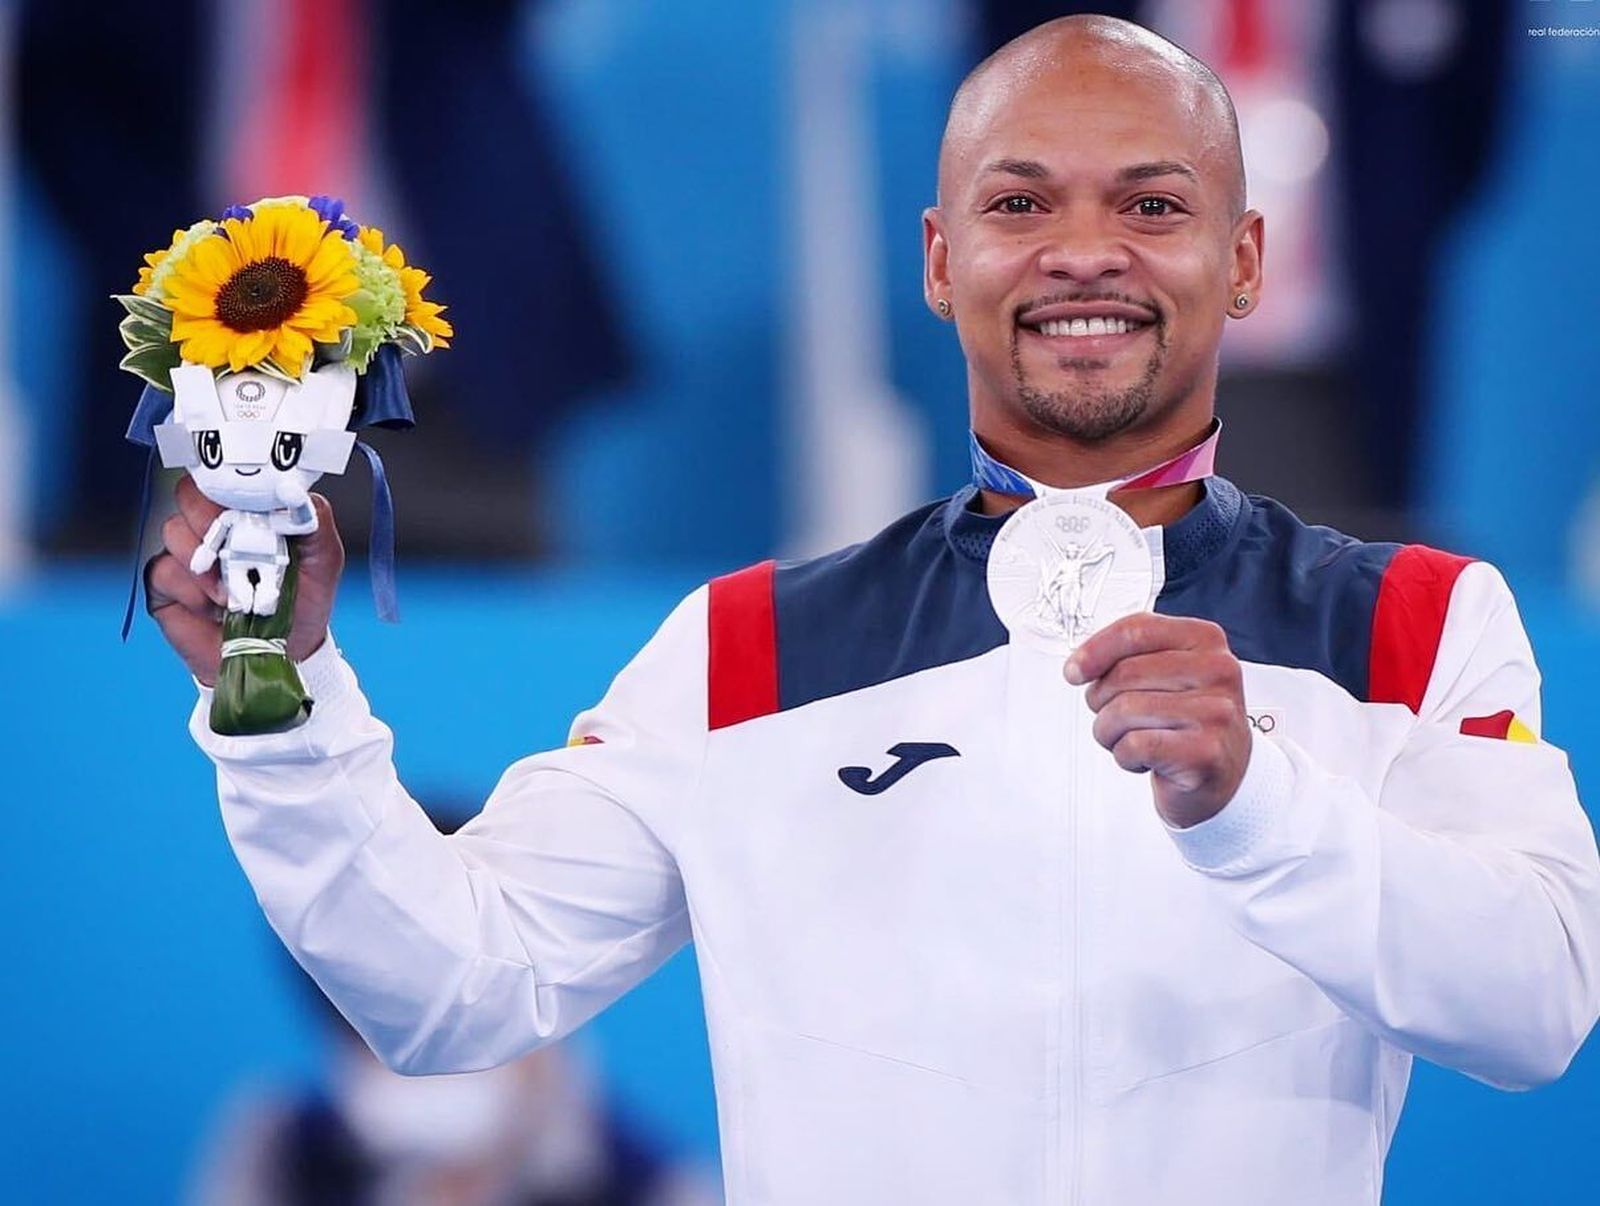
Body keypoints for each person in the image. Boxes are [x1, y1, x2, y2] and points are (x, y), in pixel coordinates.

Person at [143, 15, 1600, 1205]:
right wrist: (284, 700)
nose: (1082, 250)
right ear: (940, 258)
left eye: (1152, 204)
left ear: (1243, 260)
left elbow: (1536, 1007)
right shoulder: (745, 649)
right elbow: (451, 988)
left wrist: (1259, 806)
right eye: (1019, 203)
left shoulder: (1414, 620)